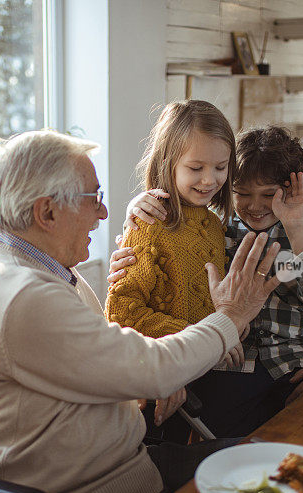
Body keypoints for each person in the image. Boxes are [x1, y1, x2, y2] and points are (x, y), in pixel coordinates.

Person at [0, 130, 282, 493]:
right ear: (47, 213)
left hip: (123, 474)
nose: (103, 215)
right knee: (269, 492)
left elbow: (103, 353)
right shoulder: (22, 296)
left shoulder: (41, 272)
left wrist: (143, 377)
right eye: (93, 199)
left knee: (269, 465)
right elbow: (154, 367)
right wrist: (230, 315)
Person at [111, 140, 303, 407]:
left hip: (298, 365)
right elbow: (174, 258)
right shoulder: (237, 223)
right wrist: (137, 220)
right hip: (231, 357)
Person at [104, 100, 243, 436]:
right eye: (196, 168)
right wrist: (199, 335)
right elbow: (121, 312)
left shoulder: (213, 225)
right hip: (159, 379)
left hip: (200, 369)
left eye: (221, 167)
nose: (210, 180)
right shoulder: (149, 222)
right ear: (168, 164)